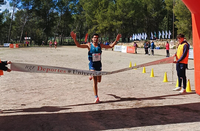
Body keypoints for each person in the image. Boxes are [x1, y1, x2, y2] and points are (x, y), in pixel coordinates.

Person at [70, 31, 121, 103]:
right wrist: (74, 39)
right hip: (92, 65)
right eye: (94, 38)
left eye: (97, 38)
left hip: (99, 65)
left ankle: (91, 75)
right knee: (95, 82)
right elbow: (78, 45)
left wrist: (116, 40)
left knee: (99, 80)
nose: (96, 39)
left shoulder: (101, 45)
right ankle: (96, 97)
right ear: (92, 39)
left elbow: (111, 46)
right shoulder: (89, 45)